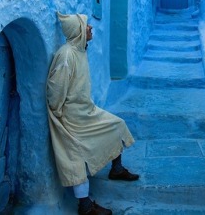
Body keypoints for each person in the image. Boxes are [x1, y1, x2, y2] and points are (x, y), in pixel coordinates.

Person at [46, 12, 139, 215]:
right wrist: (62, 114)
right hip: (72, 118)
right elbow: (55, 93)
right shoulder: (66, 55)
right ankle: (85, 206)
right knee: (75, 158)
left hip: (86, 111)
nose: (90, 29)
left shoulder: (79, 51)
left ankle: (116, 169)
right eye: (87, 26)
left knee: (116, 124)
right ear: (78, 30)